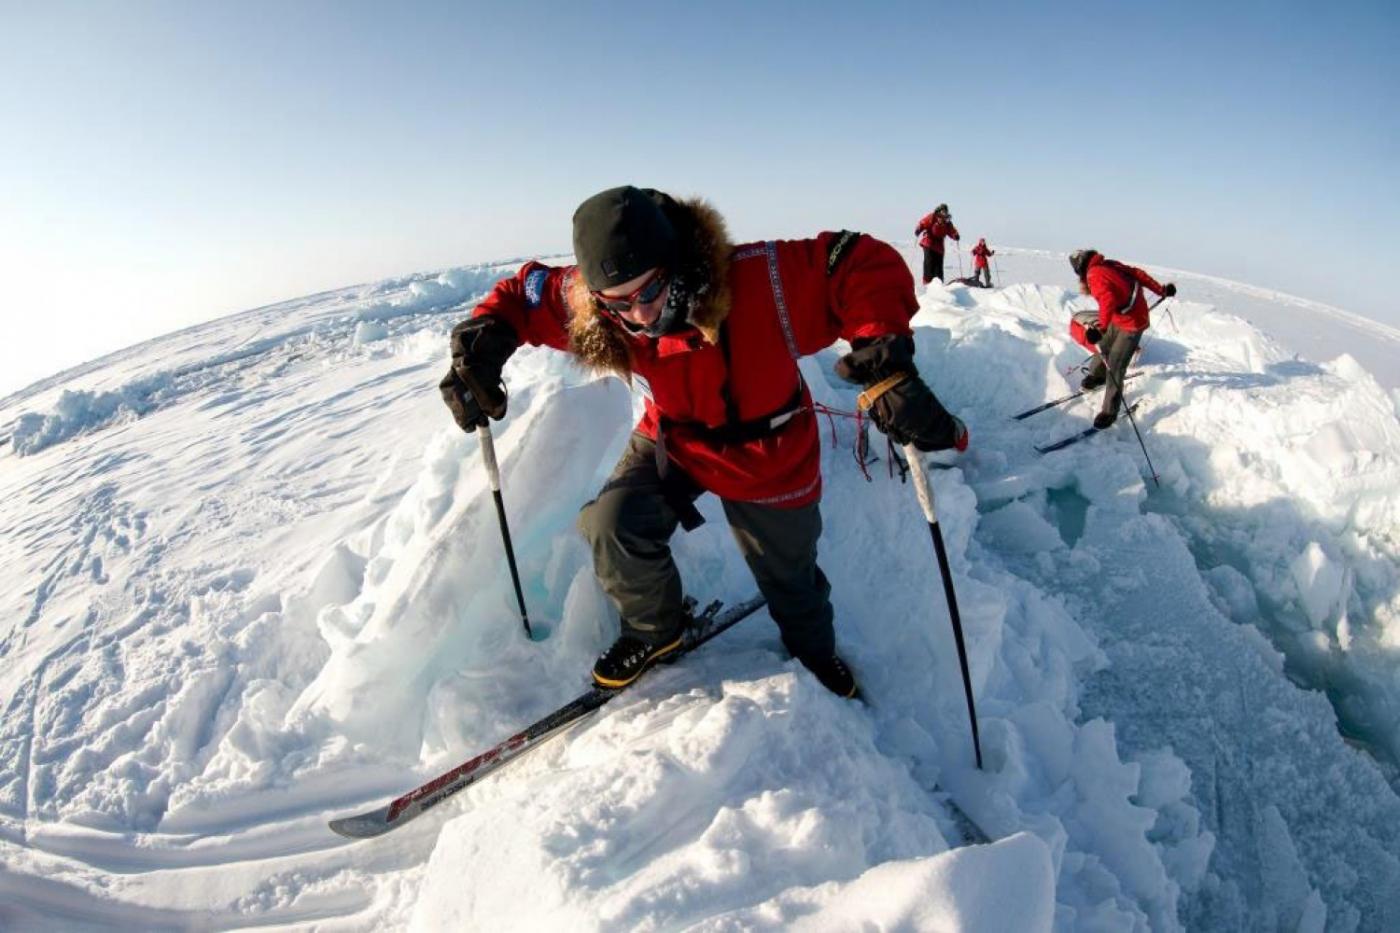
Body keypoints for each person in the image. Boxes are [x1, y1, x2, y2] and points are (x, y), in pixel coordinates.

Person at [440, 186, 968, 698]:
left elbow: (855, 259)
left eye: (651, 291)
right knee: (611, 524)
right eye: (618, 304)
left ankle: (814, 651)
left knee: (791, 579)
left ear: (678, 262)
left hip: (771, 451)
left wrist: (883, 361)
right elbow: (525, 293)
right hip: (675, 440)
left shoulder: (761, 281)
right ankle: (655, 630)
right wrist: (482, 340)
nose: (640, 315)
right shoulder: (595, 305)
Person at [1068, 249, 1177, 428]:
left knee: (1116, 364)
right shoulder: (1107, 264)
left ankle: (1109, 412)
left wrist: (1100, 328)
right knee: (1103, 346)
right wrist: (1161, 289)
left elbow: (1107, 300)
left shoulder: (1094, 276)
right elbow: (1137, 274)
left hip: (1132, 323)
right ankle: (1097, 376)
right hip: (1119, 318)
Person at [914, 204, 960, 285]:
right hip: (929, 242)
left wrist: (955, 235)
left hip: (939, 246)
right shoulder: (932, 217)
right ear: (939, 211)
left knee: (939, 266)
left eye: (945, 211)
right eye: (942, 210)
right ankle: (927, 283)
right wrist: (919, 229)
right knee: (929, 263)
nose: (944, 213)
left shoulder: (947, 222)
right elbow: (923, 223)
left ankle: (939, 284)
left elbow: (951, 231)